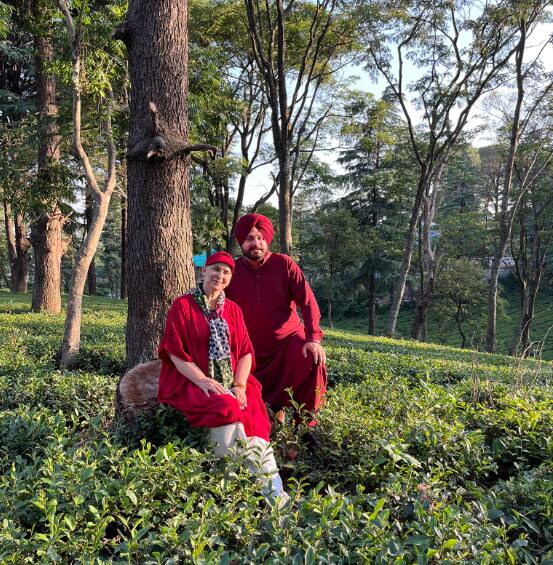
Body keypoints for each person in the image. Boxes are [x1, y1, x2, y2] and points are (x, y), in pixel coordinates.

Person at [157, 251, 287, 500]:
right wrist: (204, 380)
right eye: (215, 269)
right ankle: (226, 484)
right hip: (192, 380)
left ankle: (275, 495)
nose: (220, 275)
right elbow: (175, 353)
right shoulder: (183, 305)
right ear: (203, 271)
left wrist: (239, 384)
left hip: (233, 379)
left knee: (250, 412)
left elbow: (246, 352)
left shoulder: (234, 310)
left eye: (226, 272)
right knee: (224, 406)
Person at [226, 214, 327, 426]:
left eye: (261, 238)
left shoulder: (285, 264)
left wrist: (313, 338)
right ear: (241, 243)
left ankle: (305, 425)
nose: (256, 243)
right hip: (248, 348)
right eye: (250, 239)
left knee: (312, 358)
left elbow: (308, 302)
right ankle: (273, 411)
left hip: (287, 340)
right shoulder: (231, 271)